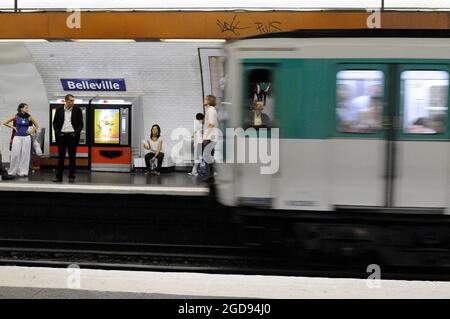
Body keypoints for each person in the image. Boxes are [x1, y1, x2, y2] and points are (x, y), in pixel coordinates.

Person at [52, 94, 84, 183]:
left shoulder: (77, 110)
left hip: (72, 137)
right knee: (61, 158)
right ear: (65, 101)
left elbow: (81, 124)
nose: (72, 102)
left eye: (73, 101)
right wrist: (58, 132)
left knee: (72, 158)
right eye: (71, 100)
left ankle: (71, 176)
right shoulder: (59, 110)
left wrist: (75, 133)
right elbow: (54, 123)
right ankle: (59, 177)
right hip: (62, 136)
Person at [2, 103, 39, 177]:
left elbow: (37, 125)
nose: (27, 109)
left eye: (27, 108)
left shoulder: (29, 117)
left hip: (26, 138)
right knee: (15, 154)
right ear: (21, 108)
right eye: (26, 108)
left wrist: (31, 131)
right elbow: (5, 123)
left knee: (25, 155)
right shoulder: (16, 116)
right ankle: (12, 171)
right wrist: (14, 127)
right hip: (17, 137)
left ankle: (23, 171)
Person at [202, 95, 218, 180]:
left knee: (207, 156)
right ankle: (210, 175)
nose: (204, 100)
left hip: (209, 137)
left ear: (209, 101)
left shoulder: (211, 110)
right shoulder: (210, 110)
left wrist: (205, 137)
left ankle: (209, 174)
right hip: (211, 137)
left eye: (205, 99)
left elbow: (211, 124)